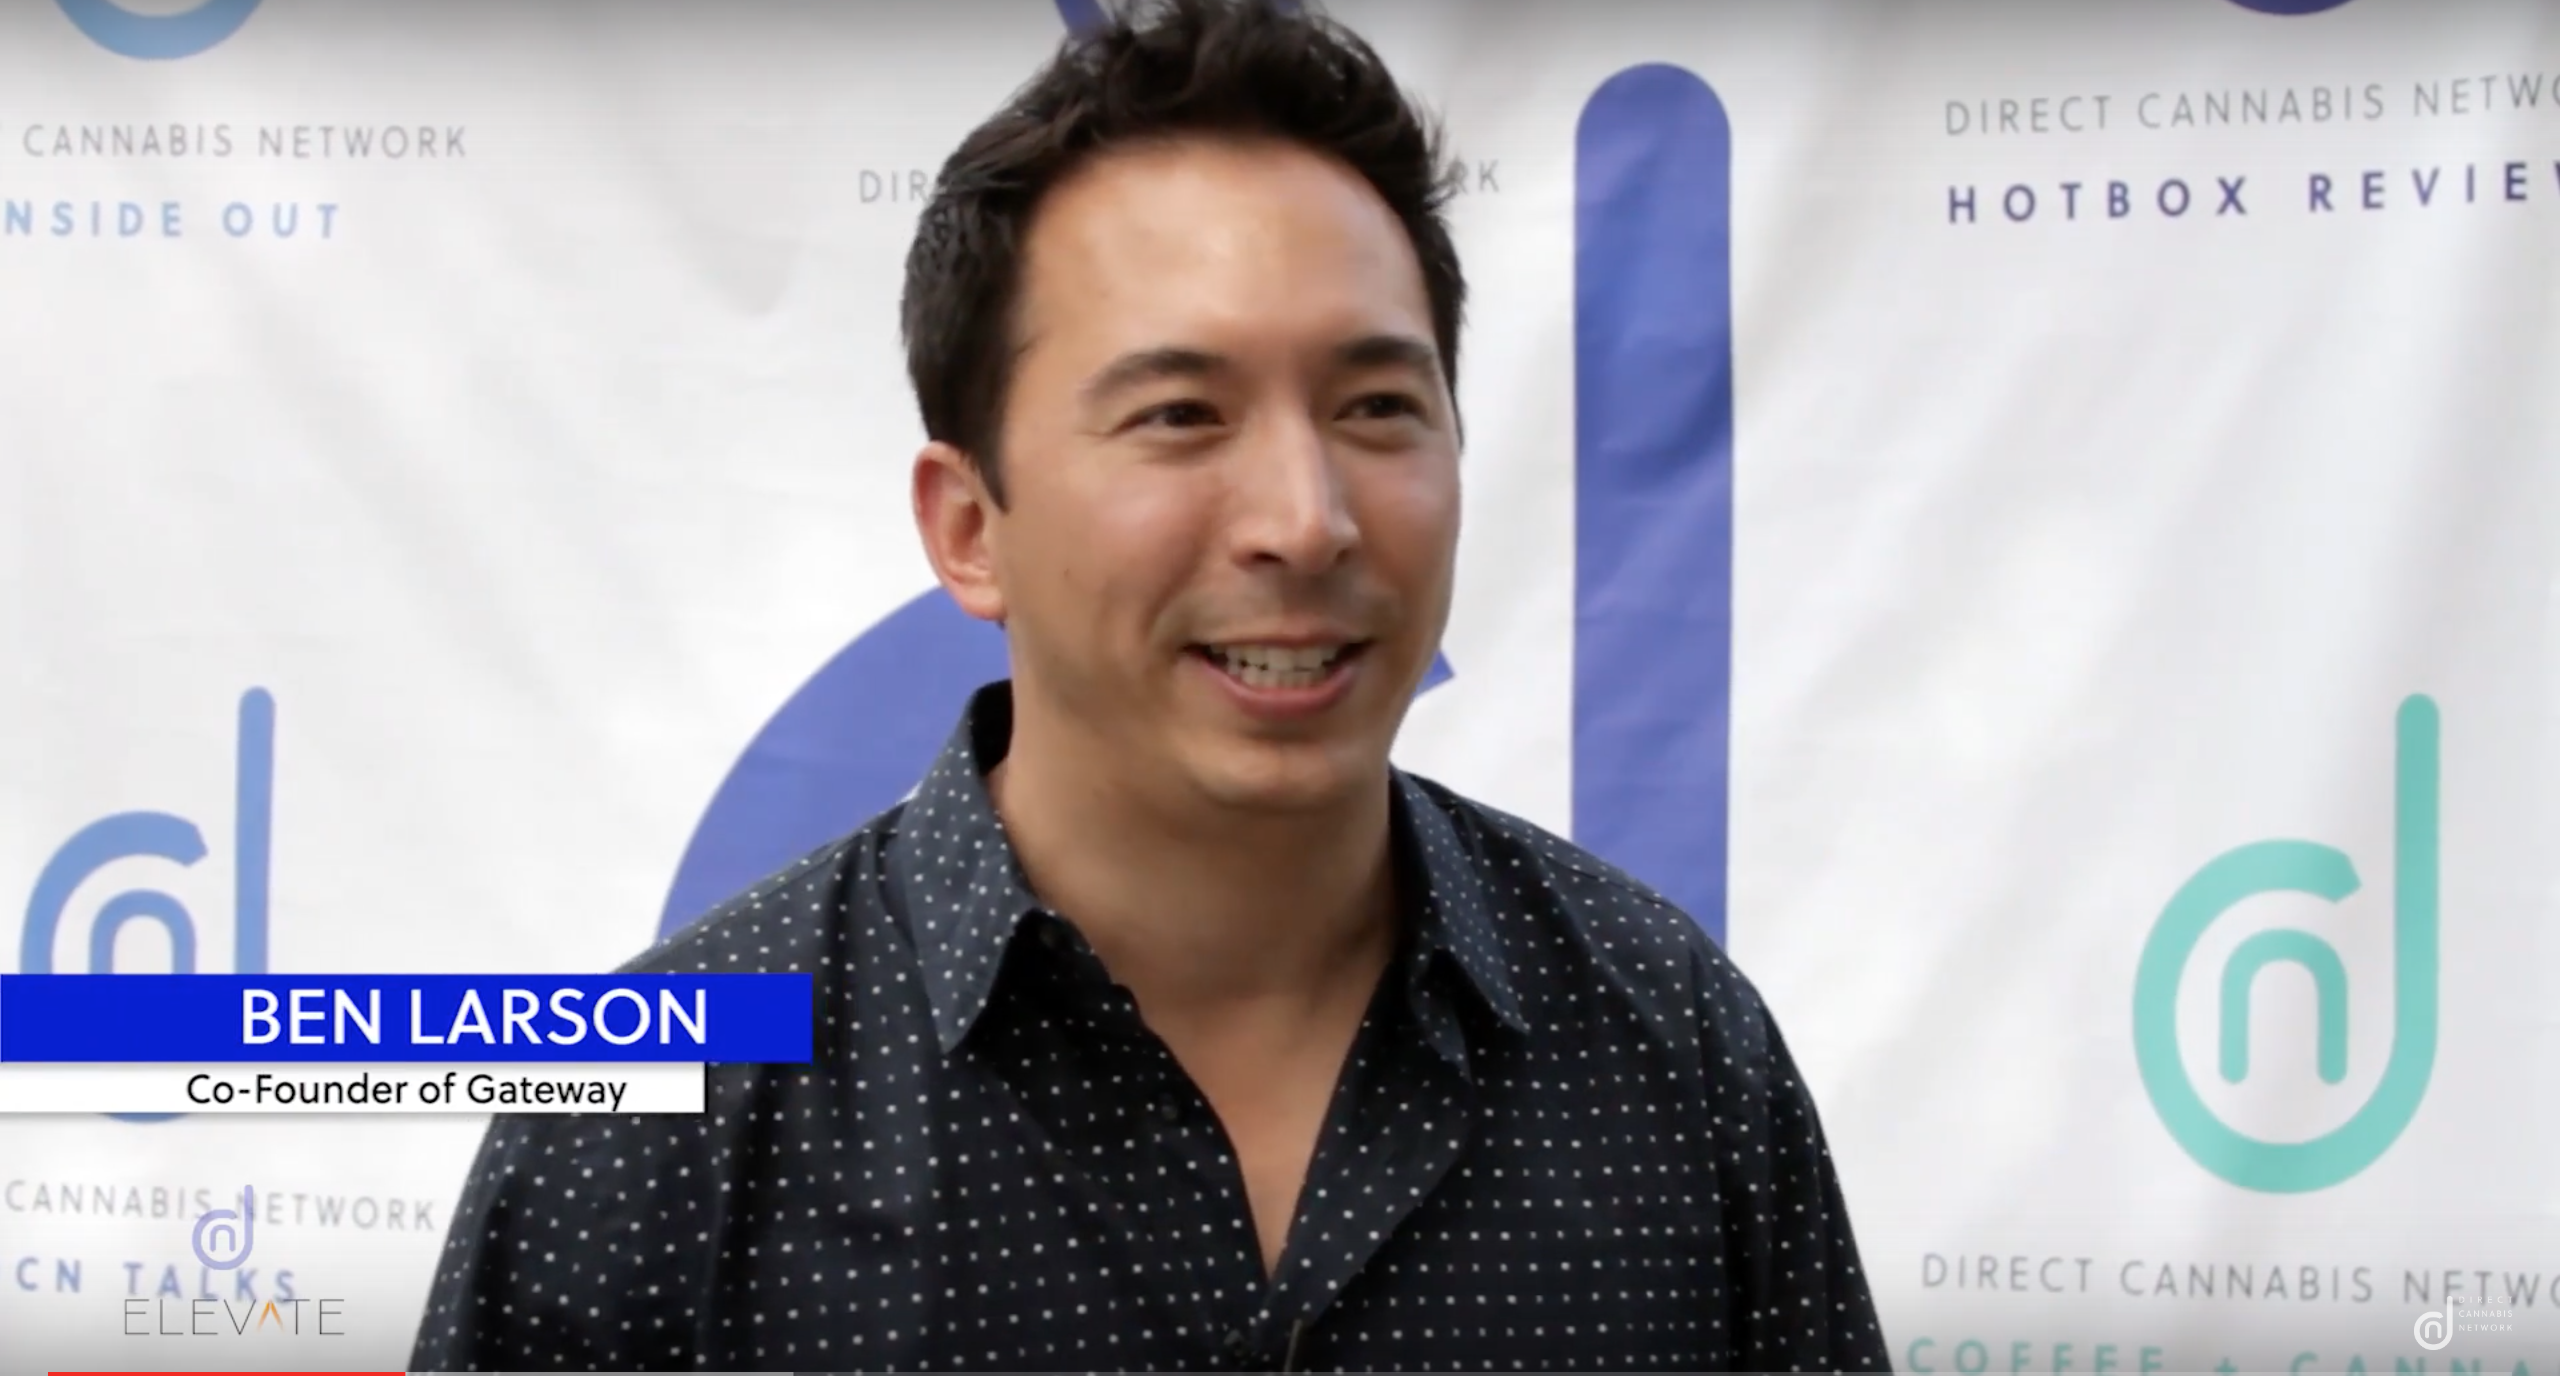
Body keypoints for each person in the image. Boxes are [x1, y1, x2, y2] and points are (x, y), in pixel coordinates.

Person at [408, 0, 1888, 1369]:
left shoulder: (1672, 1051)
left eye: (1377, 405)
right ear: (968, 527)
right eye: (1182, 414)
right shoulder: (654, 1131)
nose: (1305, 519)